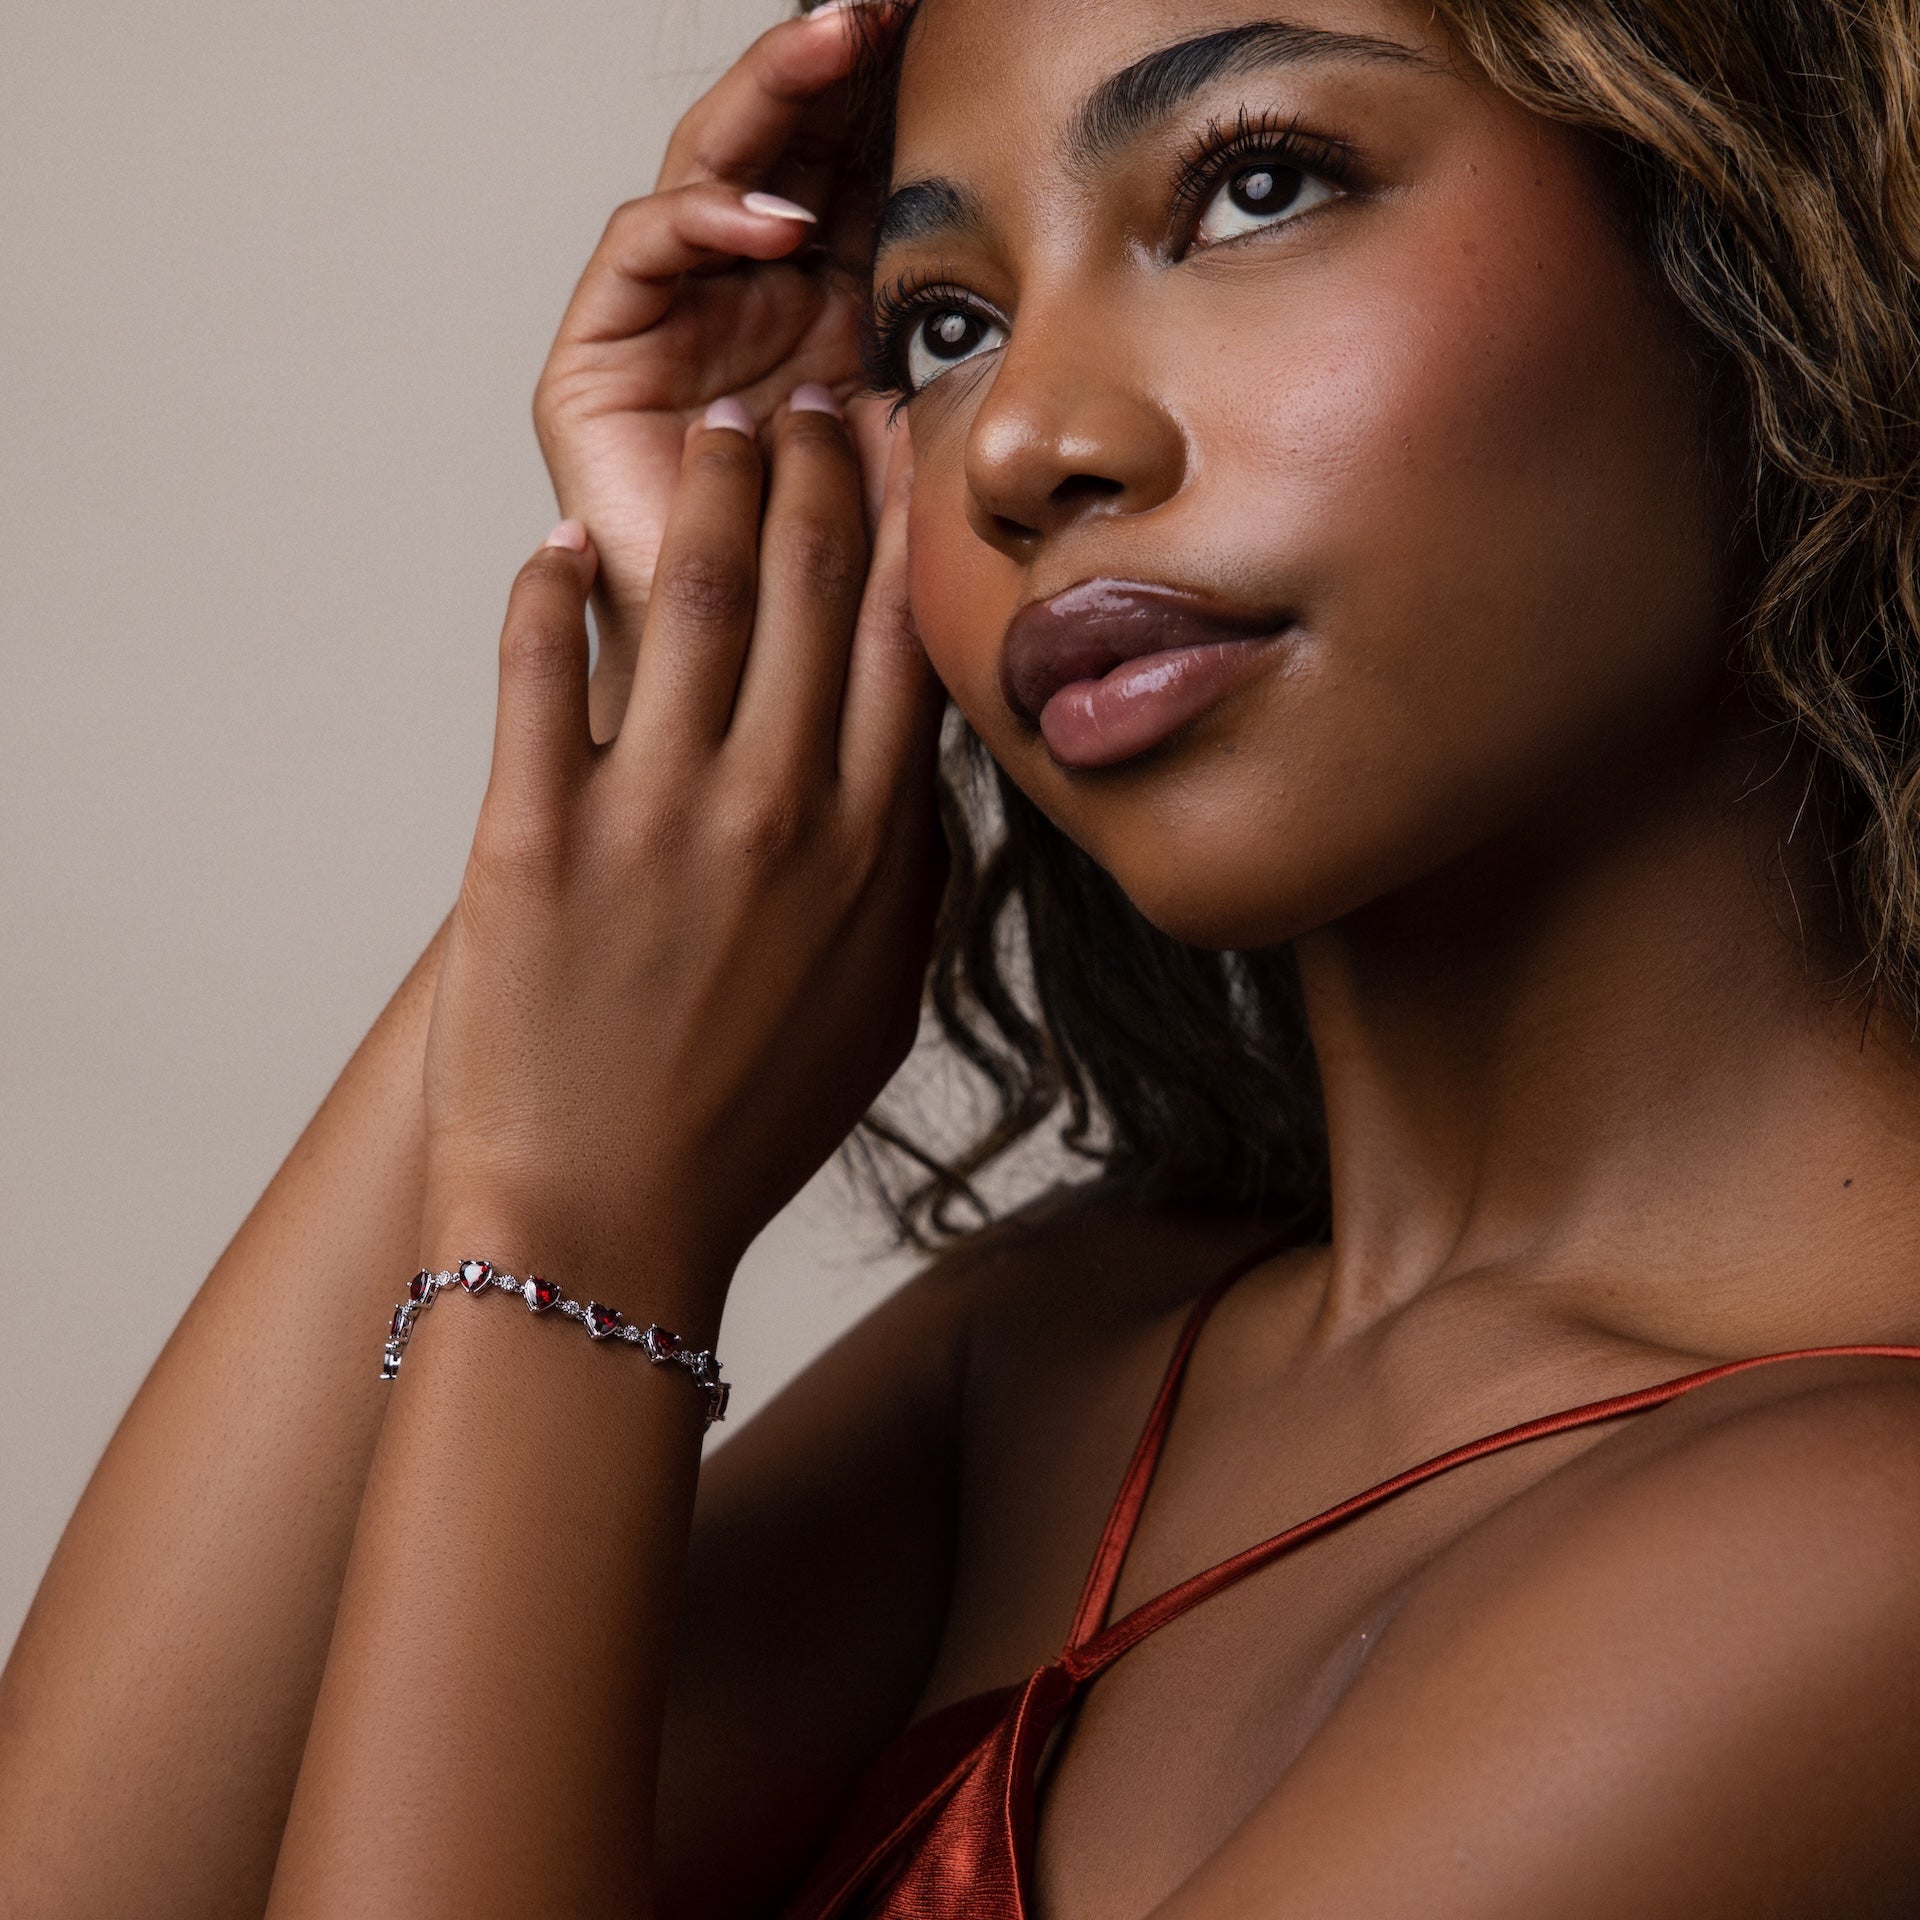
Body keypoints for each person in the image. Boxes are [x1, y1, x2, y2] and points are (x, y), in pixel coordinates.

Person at [5, 0, 1920, 1912]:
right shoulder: (1063, 1363)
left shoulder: (1855, 1545)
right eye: (941, 328)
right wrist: (696, 700)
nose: (1015, 442)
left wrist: (574, 1231)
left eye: (1258, 187)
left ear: (1769, 238)